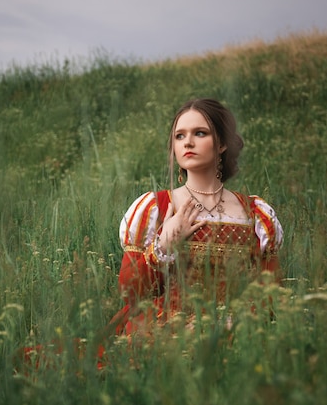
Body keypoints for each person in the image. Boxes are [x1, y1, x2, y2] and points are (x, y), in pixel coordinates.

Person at [109, 98, 283, 337]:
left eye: (200, 133)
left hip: (235, 329)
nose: (187, 142)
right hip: (166, 331)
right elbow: (131, 294)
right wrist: (164, 245)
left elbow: (271, 291)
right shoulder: (155, 208)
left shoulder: (255, 212)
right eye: (179, 136)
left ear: (222, 143)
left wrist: (234, 321)